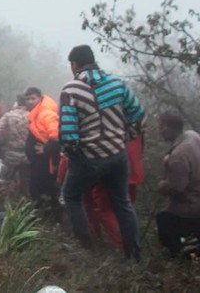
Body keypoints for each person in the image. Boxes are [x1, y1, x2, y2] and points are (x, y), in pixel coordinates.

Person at [58, 45, 144, 260]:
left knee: (72, 196)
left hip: (89, 158)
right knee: (122, 203)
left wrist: (76, 154)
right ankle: (133, 254)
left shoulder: (72, 89)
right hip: (117, 156)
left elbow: (68, 134)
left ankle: (85, 249)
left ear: (75, 65)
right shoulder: (117, 83)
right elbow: (138, 113)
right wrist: (126, 137)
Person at [156, 110, 200, 260]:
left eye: (161, 127)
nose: (159, 131)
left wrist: (162, 186)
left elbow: (177, 188)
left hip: (198, 205)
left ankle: (180, 258)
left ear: (170, 128)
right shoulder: (192, 135)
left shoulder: (178, 156)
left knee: (164, 221)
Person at [23, 86, 60, 205]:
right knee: (37, 188)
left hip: (45, 161)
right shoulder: (35, 114)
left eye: (33, 98)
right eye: (27, 99)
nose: (30, 101)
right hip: (38, 160)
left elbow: (55, 136)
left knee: (45, 189)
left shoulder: (46, 113)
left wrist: (46, 148)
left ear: (40, 98)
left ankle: (49, 215)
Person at [0, 94, 30, 191]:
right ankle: (22, 200)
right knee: (25, 180)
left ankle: (3, 198)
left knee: (6, 179)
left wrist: (1, 141)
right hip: (27, 153)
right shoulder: (32, 115)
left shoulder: (9, 115)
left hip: (10, 152)